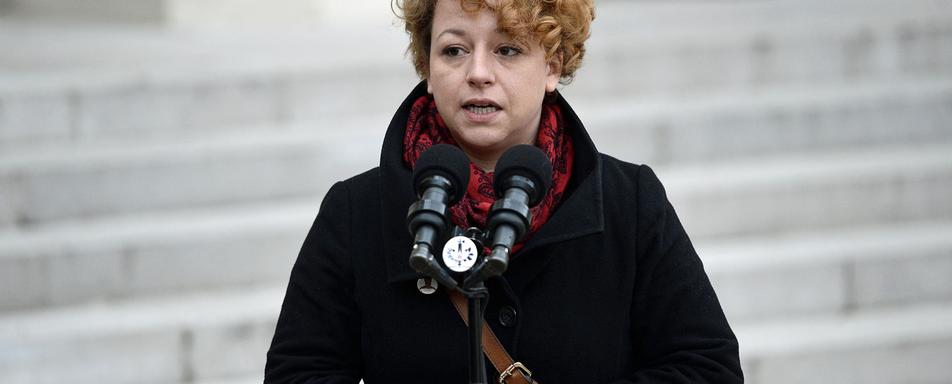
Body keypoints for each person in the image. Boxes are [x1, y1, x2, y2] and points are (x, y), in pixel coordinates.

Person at [265, 0, 743, 382]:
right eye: (453, 50)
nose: (477, 72)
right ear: (427, 68)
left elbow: (707, 367)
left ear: (552, 66)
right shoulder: (355, 213)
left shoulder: (629, 201)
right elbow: (298, 372)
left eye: (507, 49)